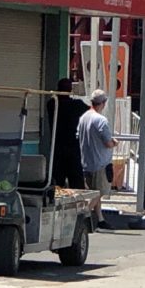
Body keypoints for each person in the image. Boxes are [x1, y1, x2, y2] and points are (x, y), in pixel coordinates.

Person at [77, 89, 116, 225]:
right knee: (99, 192)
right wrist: (114, 142)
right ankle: (81, 216)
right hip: (100, 163)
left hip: (86, 161)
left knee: (92, 192)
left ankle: (99, 219)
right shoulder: (101, 120)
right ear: (103, 103)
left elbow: (78, 136)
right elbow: (108, 142)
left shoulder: (83, 118)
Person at [46, 78, 88, 190]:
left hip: (57, 147)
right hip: (72, 147)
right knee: (76, 182)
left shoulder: (52, 104)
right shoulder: (76, 105)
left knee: (57, 181)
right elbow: (90, 110)